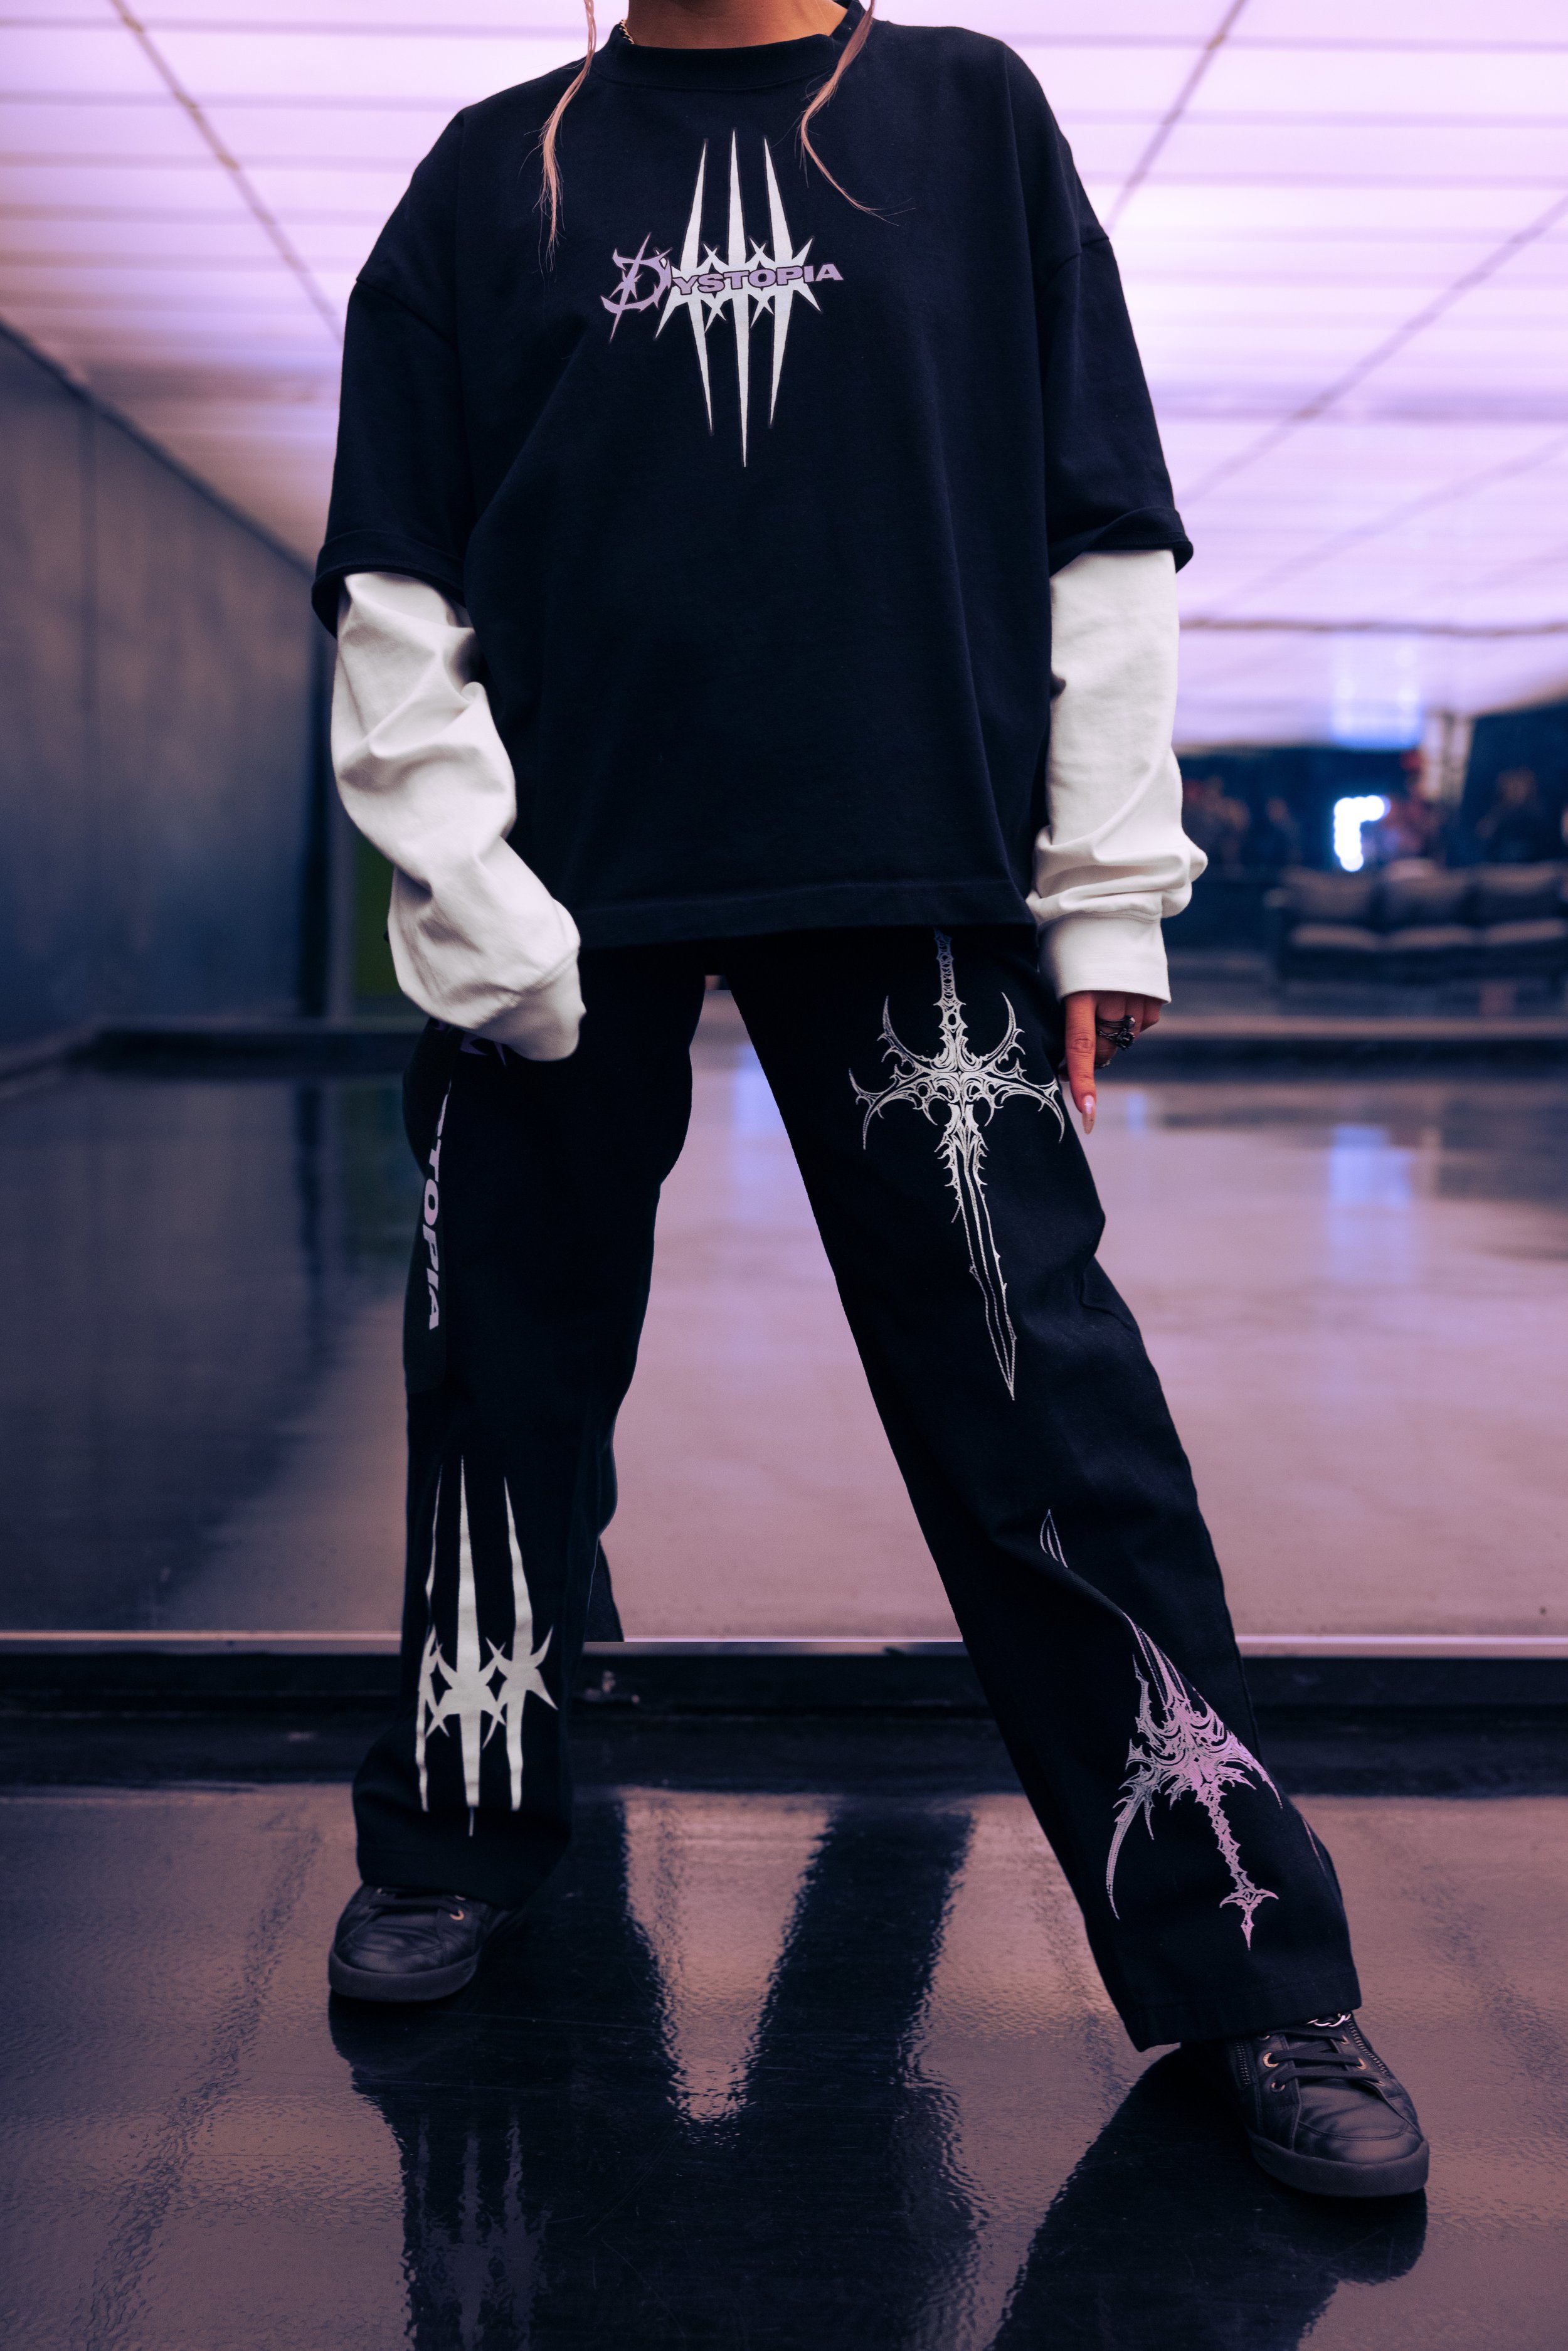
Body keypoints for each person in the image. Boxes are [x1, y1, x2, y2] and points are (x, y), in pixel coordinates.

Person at [313, 0, 1428, 2200]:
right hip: (561, 895)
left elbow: (1100, 532)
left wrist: (1105, 898)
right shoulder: (486, 171)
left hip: (908, 877)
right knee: (497, 1380)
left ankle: (1241, 1948)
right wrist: (471, 889)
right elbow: (390, 579)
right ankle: (456, 1815)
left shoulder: (972, 118)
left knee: (1050, 1424)